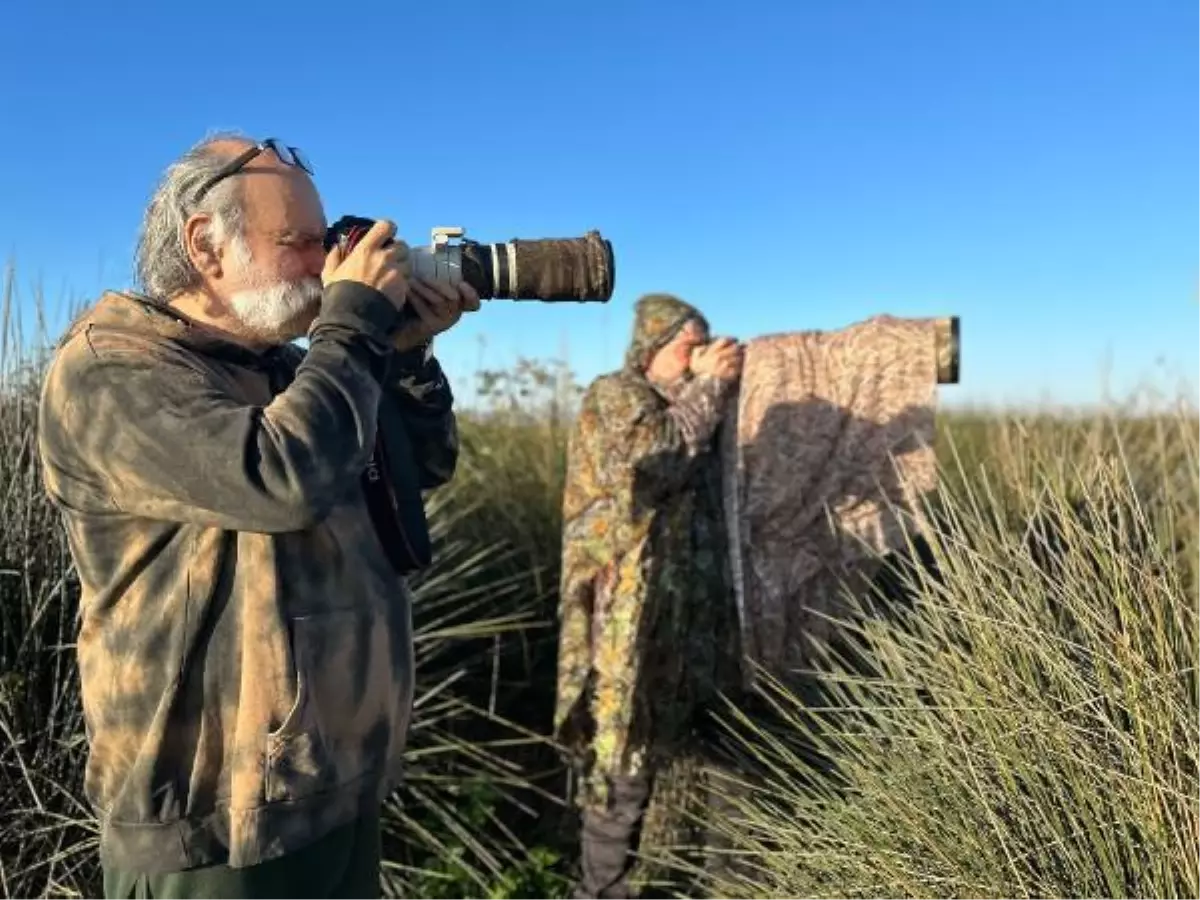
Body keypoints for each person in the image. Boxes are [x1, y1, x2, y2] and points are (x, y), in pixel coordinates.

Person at [36, 133, 479, 899]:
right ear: (207, 244)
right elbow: (280, 479)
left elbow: (419, 473)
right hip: (217, 823)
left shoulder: (282, 369)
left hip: (328, 781)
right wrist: (351, 325)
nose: (324, 265)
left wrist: (401, 354)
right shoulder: (114, 367)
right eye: (303, 242)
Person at [553, 293, 744, 899]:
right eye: (690, 346)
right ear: (652, 348)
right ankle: (601, 889)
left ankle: (726, 883)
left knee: (723, 745)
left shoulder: (697, 404)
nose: (700, 358)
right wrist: (710, 387)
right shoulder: (616, 396)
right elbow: (652, 460)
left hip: (696, 619)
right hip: (628, 623)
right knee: (624, 758)